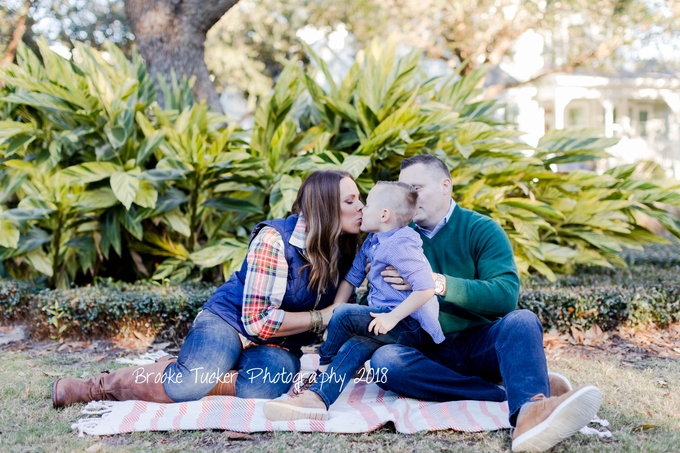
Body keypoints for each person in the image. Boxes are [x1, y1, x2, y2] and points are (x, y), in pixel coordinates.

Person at [51, 170, 364, 408]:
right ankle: (96, 387)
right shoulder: (274, 241)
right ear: (324, 209)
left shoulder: (349, 248)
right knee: (187, 386)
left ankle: (197, 370)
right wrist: (322, 317)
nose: (361, 207)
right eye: (350, 201)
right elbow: (258, 321)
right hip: (231, 321)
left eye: (359, 198)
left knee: (265, 385)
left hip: (279, 343)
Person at [367, 155, 602, 452]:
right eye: (404, 189)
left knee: (522, 320)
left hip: (480, 344)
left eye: (416, 187)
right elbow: (376, 305)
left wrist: (437, 283)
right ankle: (507, 390)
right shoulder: (393, 237)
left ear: (445, 186)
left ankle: (530, 415)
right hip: (423, 348)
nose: (408, 197)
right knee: (384, 362)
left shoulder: (481, 229)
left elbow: (505, 295)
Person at [263, 181, 445, 421]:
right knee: (353, 346)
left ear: (384, 215)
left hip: (409, 324)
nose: (361, 209)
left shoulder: (403, 244)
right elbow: (352, 278)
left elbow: (426, 289)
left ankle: (324, 364)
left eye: (366, 204)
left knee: (346, 315)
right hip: (383, 319)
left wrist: (391, 317)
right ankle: (317, 401)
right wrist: (335, 309)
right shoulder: (372, 241)